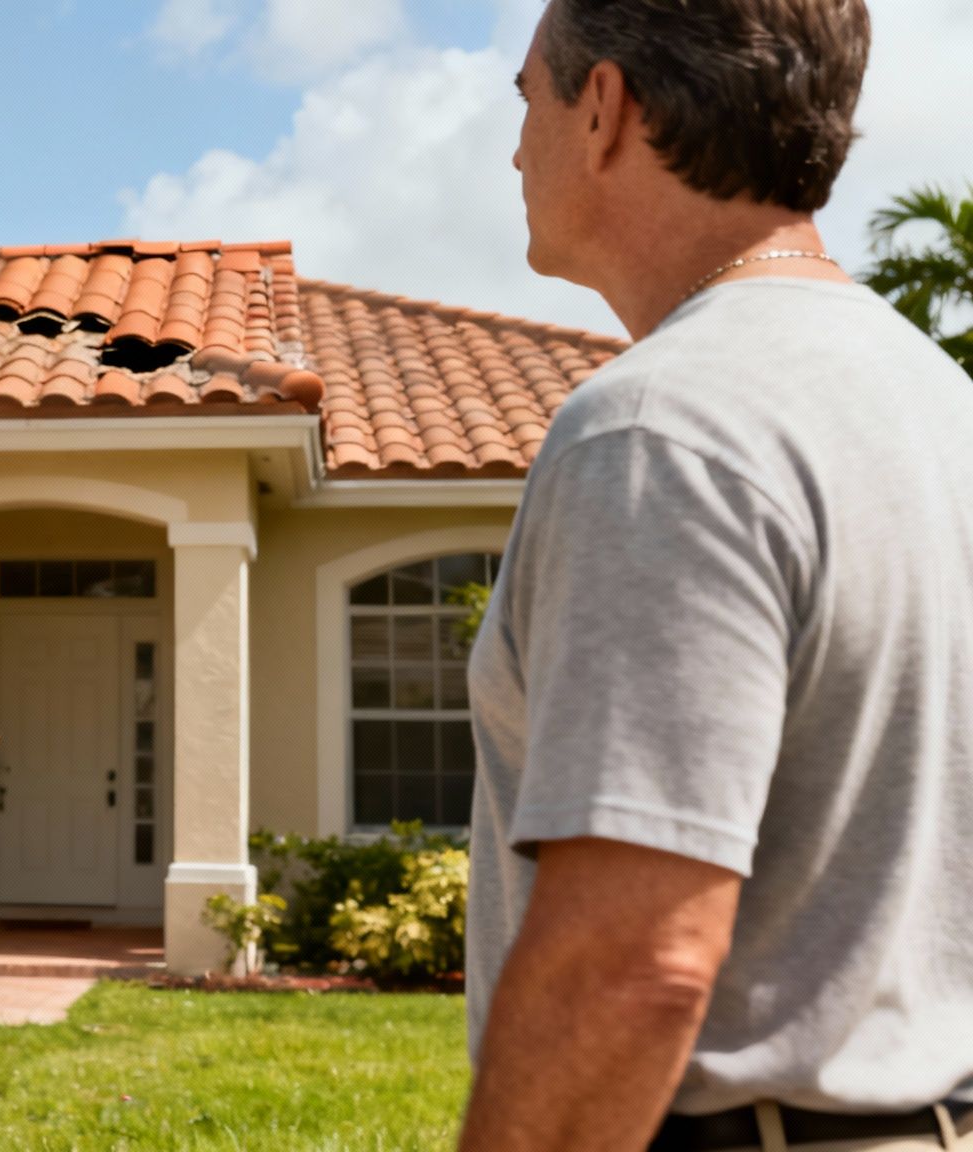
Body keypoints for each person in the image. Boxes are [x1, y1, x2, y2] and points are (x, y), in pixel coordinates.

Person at [460, 2, 973, 1150]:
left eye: (524, 100)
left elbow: (630, 968)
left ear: (599, 109)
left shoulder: (660, 428)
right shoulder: (935, 400)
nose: (511, 148)